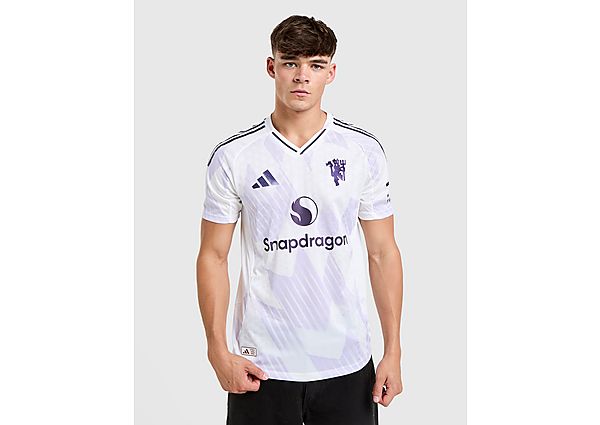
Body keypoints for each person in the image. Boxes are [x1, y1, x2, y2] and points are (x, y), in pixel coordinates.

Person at [196, 15, 404, 425]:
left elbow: (383, 252)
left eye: (315, 64)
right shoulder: (235, 156)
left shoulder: (361, 152)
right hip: (262, 367)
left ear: (331, 72)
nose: (302, 76)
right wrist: (217, 351)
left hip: (346, 361)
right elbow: (212, 256)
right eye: (290, 63)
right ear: (271, 67)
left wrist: (393, 350)